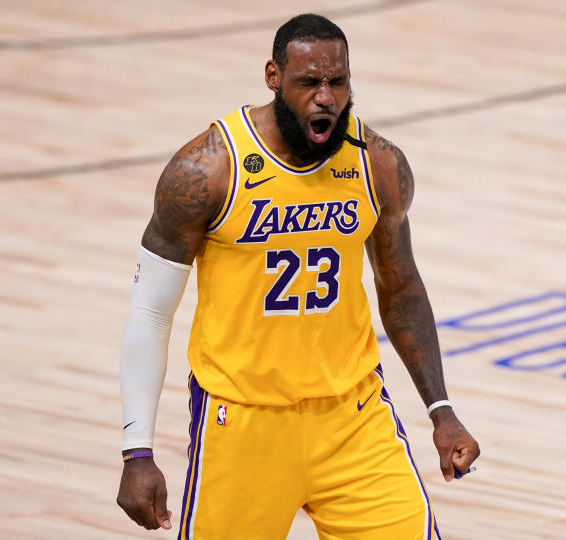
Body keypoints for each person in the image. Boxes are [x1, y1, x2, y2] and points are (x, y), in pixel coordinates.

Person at [117, 13, 480, 540]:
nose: (326, 97)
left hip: (352, 418)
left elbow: (401, 290)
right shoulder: (206, 171)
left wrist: (441, 410)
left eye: (338, 82)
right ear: (273, 76)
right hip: (243, 425)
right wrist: (137, 450)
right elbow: (150, 312)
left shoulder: (377, 165)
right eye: (309, 82)